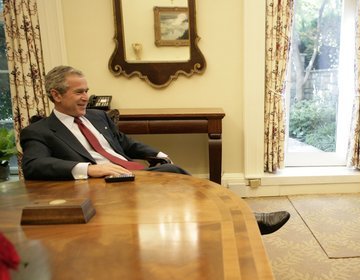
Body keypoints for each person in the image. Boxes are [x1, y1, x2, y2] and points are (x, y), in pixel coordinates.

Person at [20, 65, 290, 235]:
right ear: (56, 95)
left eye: (87, 91)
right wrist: (91, 169)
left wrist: (156, 152)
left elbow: (124, 143)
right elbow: (33, 166)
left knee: (177, 180)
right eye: (78, 92)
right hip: (102, 186)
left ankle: (236, 220)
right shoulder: (40, 131)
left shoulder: (97, 117)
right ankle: (246, 218)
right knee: (179, 178)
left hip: (130, 174)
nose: (85, 98)